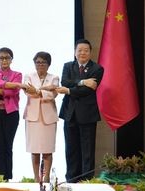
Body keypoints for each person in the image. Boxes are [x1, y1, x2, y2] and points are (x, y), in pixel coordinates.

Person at [56, 39, 105, 182]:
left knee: (87, 150)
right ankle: (71, 180)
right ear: (75, 52)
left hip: (88, 115)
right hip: (70, 114)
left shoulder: (97, 69)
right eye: (80, 50)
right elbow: (65, 82)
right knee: (71, 149)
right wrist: (83, 81)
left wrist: (69, 91)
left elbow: (86, 91)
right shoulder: (67, 66)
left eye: (86, 50)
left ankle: (87, 181)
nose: (82, 53)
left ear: (90, 53)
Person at [0, 47, 23, 180]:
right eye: (1, 58)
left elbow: (13, 92)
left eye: (7, 57)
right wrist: (9, 85)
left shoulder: (17, 74)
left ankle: (7, 178)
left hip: (11, 113)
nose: (4, 60)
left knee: (8, 145)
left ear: (11, 59)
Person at [23, 51, 59, 183]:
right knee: (35, 150)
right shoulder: (28, 76)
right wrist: (46, 89)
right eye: (37, 62)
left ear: (48, 64)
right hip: (33, 117)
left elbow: (52, 95)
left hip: (49, 117)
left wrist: (38, 90)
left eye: (43, 62)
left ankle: (47, 177)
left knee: (48, 150)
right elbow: (28, 93)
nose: (40, 65)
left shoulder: (54, 77)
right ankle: (36, 178)